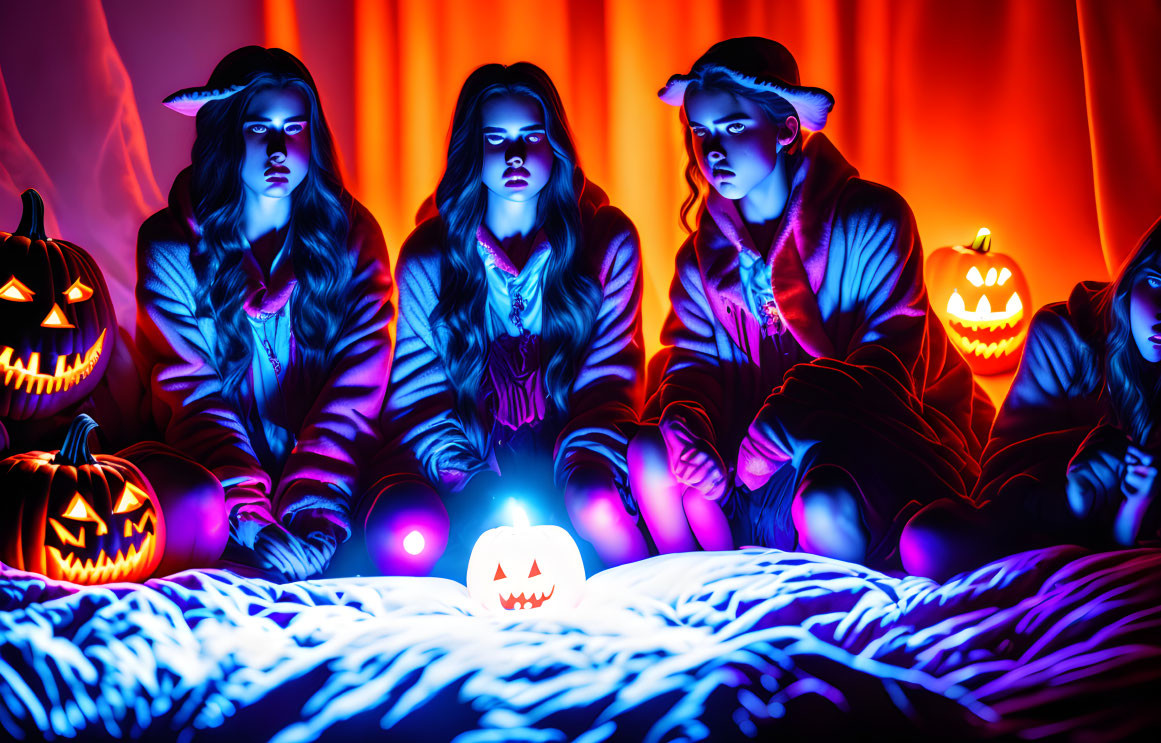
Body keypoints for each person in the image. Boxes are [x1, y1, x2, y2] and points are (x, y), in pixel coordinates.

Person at [629, 37, 991, 567]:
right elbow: (694, 363)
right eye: (700, 131)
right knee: (651, 453)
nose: (712, 150)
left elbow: (889, 363)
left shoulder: (874, 220)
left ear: (785, 129)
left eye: (733, 128)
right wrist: (692, 429)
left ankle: (829, 605)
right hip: (742, 454)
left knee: (826, 500)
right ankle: (703, 580)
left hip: (858, 441)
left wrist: (790, 415)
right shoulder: (697, 260)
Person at [136, 46, 394, 580]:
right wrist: (249, 518)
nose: (279, 148)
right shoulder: (169, 248)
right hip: (215, 477)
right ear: (227, 134)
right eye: (259, 129)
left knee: (404, 524)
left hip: (337, 477)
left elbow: (356, 389)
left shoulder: (356, 240)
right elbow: (192, 396)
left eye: (294, 128)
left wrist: (317, 511)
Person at [381, 62, 648, 573]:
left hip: (581, 471)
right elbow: (419, 399)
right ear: (471, 150)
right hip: (467, 482)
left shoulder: (608, 243)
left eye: (531, 136)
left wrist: (582, 474)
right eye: (496, 139)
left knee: (601, 519)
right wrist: (475, 481)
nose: (516, 155)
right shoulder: (428, 260)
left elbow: (610, 384)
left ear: (557, 145)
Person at [902, 218, 1161, 581]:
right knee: (927, 539)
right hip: (1027, 519)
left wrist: (1133, 505)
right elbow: (1001, 472)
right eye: (1155, 282)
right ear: (1131, 278)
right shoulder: (1066, 336)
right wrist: (1075, 482)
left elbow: (1129, 542)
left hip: (1100, 550)